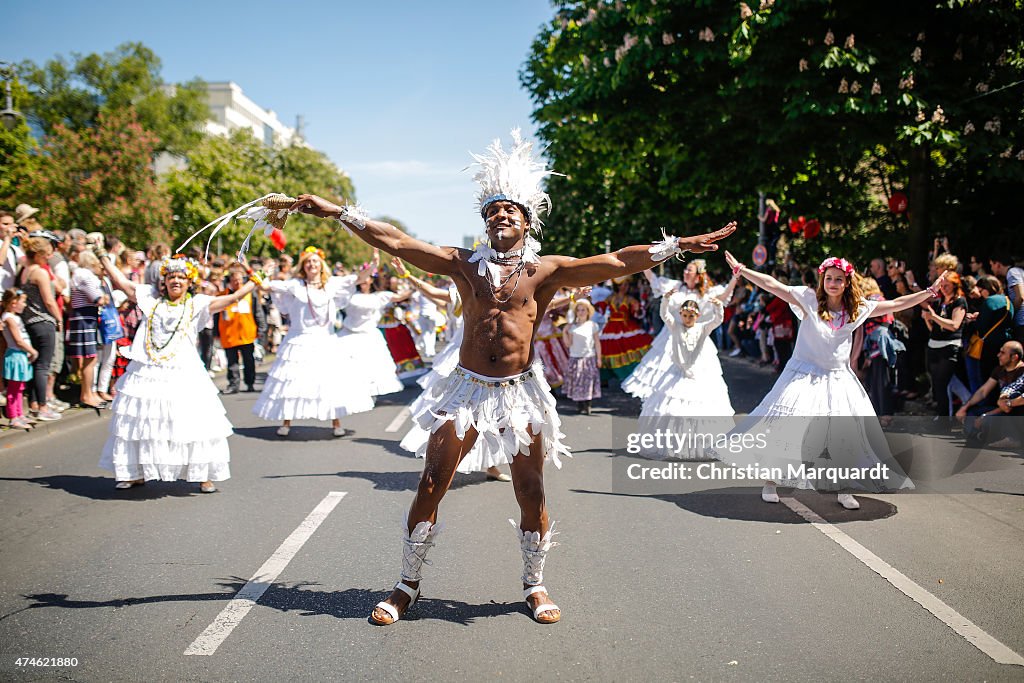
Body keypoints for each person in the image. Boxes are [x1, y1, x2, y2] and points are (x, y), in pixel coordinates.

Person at [289, 129, 735, 625]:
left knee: (531, 490)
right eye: (492, 212)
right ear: (484, 223)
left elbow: (613, 262)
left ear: (526, 221)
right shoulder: (462, 265)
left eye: (510, 211)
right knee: (433, 481)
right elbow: (396, 239)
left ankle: (535, 584)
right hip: (465, 389)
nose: (500, 216)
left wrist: (676, 246)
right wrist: (337, 212)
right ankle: (405, 585)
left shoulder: (546, 271)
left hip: (520, 393)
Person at [722, 253, 947, 509]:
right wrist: (743, 270)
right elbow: (774, 285)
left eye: (838, 279)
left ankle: (843, 488)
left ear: (846, 282)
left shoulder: (857, 308)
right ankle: (771, 482)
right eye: (828, 278)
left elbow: (897, 304)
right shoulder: (808, 299)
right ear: (823, 280)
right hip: (804, 374)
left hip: (838, 377)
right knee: (789, 427)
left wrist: (928, 291)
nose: (832, 283)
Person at [95, 248, 258, 492]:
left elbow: (230, 300)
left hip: (184, 371)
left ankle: (202, 474)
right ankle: (134, 472)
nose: (176, 280)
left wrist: (254, 282)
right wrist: (103, 257)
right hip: (148, 370)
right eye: (171, 277)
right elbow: (121, 282)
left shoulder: (197, 304)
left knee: (191, 421)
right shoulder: (150, 299)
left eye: (181, 277)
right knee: (143, 421)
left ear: (189, 282)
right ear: (164, 281)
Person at [253, 246, 370, 438]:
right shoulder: (295, 285)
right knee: (291, 384)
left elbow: (359, 278)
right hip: (298, 340)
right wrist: (261, 271)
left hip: (325, 339)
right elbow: (266, 286)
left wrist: (373, 261)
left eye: (315, 261)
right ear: (303, 265)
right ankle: (286, 423)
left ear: (321, 264)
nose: (312, 264)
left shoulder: (331, 284)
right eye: (308, 261)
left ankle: (336, 423)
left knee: (328, 382)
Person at [640, 295, 733, 460]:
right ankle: (674, 444)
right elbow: (664, 315)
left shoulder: (703, 328)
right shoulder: (675, 326)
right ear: (680, 314)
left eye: (691, 316)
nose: (687, 319)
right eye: (684, 315)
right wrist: (666, 301)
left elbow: (717, 320)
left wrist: (718, 307)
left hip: (697, 373)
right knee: (673, 409)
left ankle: (699, 445)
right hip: (678, 372)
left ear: (697, 316)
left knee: (697, 409)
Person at [16, 237, 62, 421]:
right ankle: (42, 406)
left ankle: (35, 403)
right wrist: (58, 318)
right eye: (46, 254)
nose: (49, 257)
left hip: (29, 322)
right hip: (43, 321)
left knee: (36, 365)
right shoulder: (40, 273)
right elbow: (49, 300)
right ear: (38, 255)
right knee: (43, 365)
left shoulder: (25, 271)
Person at [955, 340, 1024, 446]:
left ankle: (1011, 439)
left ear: (1014, 357)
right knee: (972, 413)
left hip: (1014, 411)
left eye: (1003, 353)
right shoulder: (1000, 370)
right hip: (1002, 407)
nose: (998, 355)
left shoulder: (1021, 373)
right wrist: (964, 407)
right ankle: (981, 435)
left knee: (989, 420)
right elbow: (983, 392)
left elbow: (1009, 406)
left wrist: (985, 416)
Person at [67, 251, 109, 411]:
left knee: (89, 358)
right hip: (85, 318)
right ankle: (86, 394)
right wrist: (103, 297)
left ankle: (89, 392)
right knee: (89, 358)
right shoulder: (85, 275)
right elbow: (98, 299)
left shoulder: (79, 275)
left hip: (84, 317)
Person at [922, 272, 967, 417]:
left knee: (942, 385)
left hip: (949, 346)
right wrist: (928, 319)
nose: (944, 288)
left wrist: (933, 317)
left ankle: (945, 418)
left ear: (955, 285)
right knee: (939, 384)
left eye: (947, 285)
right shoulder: (940, 302)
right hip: (933, 345)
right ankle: (967, 400)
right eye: (942, 285)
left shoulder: (959, 301)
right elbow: (934, 329)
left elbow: (954, 325)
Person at [218, 263, 266, 394]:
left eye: (239, 280)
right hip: (228, 335)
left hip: (247, 334)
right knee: (232, 363)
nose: (237, 283)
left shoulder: (250, 295)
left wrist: (261, 329)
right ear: (230, 282)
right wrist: (216, 333)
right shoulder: (222, 296)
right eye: (234, 281)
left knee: (248, 361)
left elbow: (258, 312)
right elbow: (217, 315)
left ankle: (250, 383)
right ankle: (234, 385)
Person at [596, 276, 652, 381]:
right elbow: (600, 309)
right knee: (609, 350)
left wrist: (637, 310)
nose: (626, 287)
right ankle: (607, 377)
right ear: (618, 286)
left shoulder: (630, 299)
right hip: (611, 327)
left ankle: (630, 375)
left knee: (631, 349)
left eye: (627, 285)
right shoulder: (610, 298)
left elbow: (638, 314)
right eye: (623, 284)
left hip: (626, 326)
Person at [2, 288, 38, 430]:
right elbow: (18, 340)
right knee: (13, 388)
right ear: (13, 303)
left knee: (20, 387)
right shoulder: (9, 318)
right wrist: (32, 351)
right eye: (23, 302)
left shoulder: (14, 317)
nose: (25, 305)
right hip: (16, 355)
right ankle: (13, 417)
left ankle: (19, 414)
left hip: (21, 355)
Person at [562, 299, 602, 414]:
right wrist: (565, 332)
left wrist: (599, 358)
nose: (581, 312)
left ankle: (588, 404)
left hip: (589, 357)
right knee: (578, 381)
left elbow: (597, 342)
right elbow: (568, 344)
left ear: (588, 311)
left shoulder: (592, 325)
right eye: (578, 310)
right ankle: (580, 404)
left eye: (583, 310)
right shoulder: (573, 327)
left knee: (588, 381)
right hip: (576, 357)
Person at [988, 255, 1024, 343]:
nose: (991, 268)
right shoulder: (1018, 271)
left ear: (998, 264)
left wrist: (1009, 313)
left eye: (992, 265)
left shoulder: (1012, 272)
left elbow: (1020, 297)